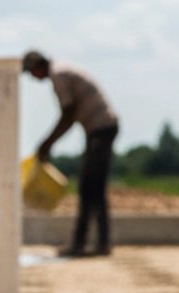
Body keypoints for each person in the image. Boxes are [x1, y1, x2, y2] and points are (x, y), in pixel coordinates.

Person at [23, 51, 119, 258]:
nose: (33, 78)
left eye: (31, 72)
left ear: (38, 65)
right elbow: (71, 115)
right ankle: (100, 242)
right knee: (95, 188)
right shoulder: (61, 70)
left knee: (89, 187)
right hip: (102, 128)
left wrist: (47, 143)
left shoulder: (59, 75)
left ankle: (81, 243)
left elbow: (68, 114)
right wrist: (49, 143)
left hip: (101, 129)